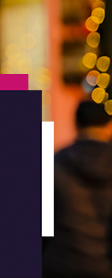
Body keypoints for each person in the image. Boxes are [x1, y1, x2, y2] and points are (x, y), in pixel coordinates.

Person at [44, 101, 112, 278]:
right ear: (109, 126)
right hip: (104, 266)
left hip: (61, 264)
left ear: (76, 124)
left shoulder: (55, 163)